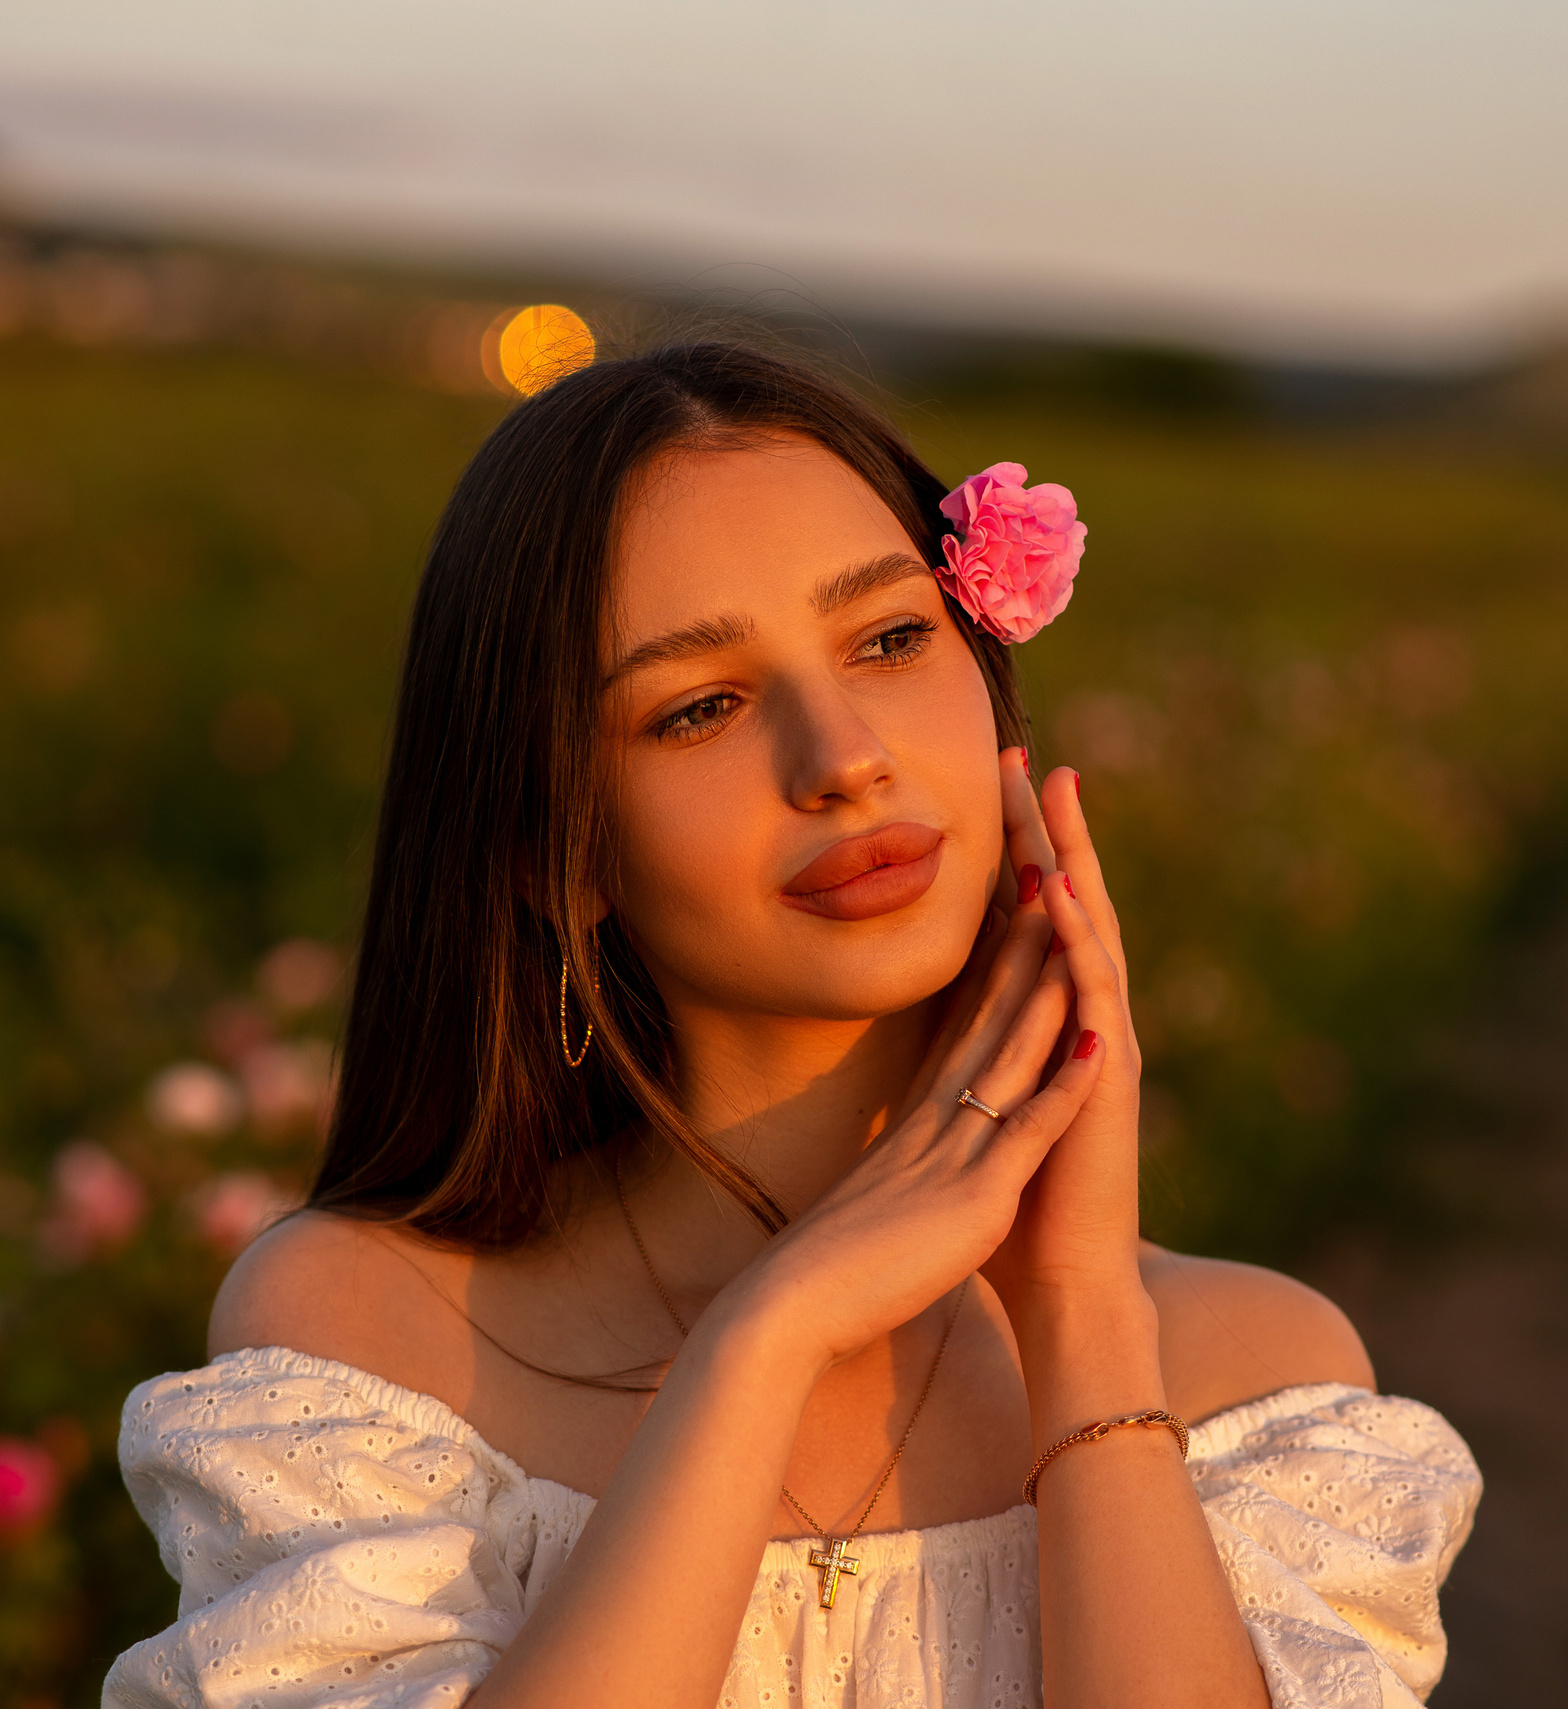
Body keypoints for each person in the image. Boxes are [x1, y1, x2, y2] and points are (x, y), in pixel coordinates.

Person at [103, 341, 1479, 1709]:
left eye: (890, 637)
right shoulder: (369, 1350)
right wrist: (763, 1340)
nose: (844, 757)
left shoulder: (1256, 1382)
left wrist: (1083, 1325)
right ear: (550, 848)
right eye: (700, 707)